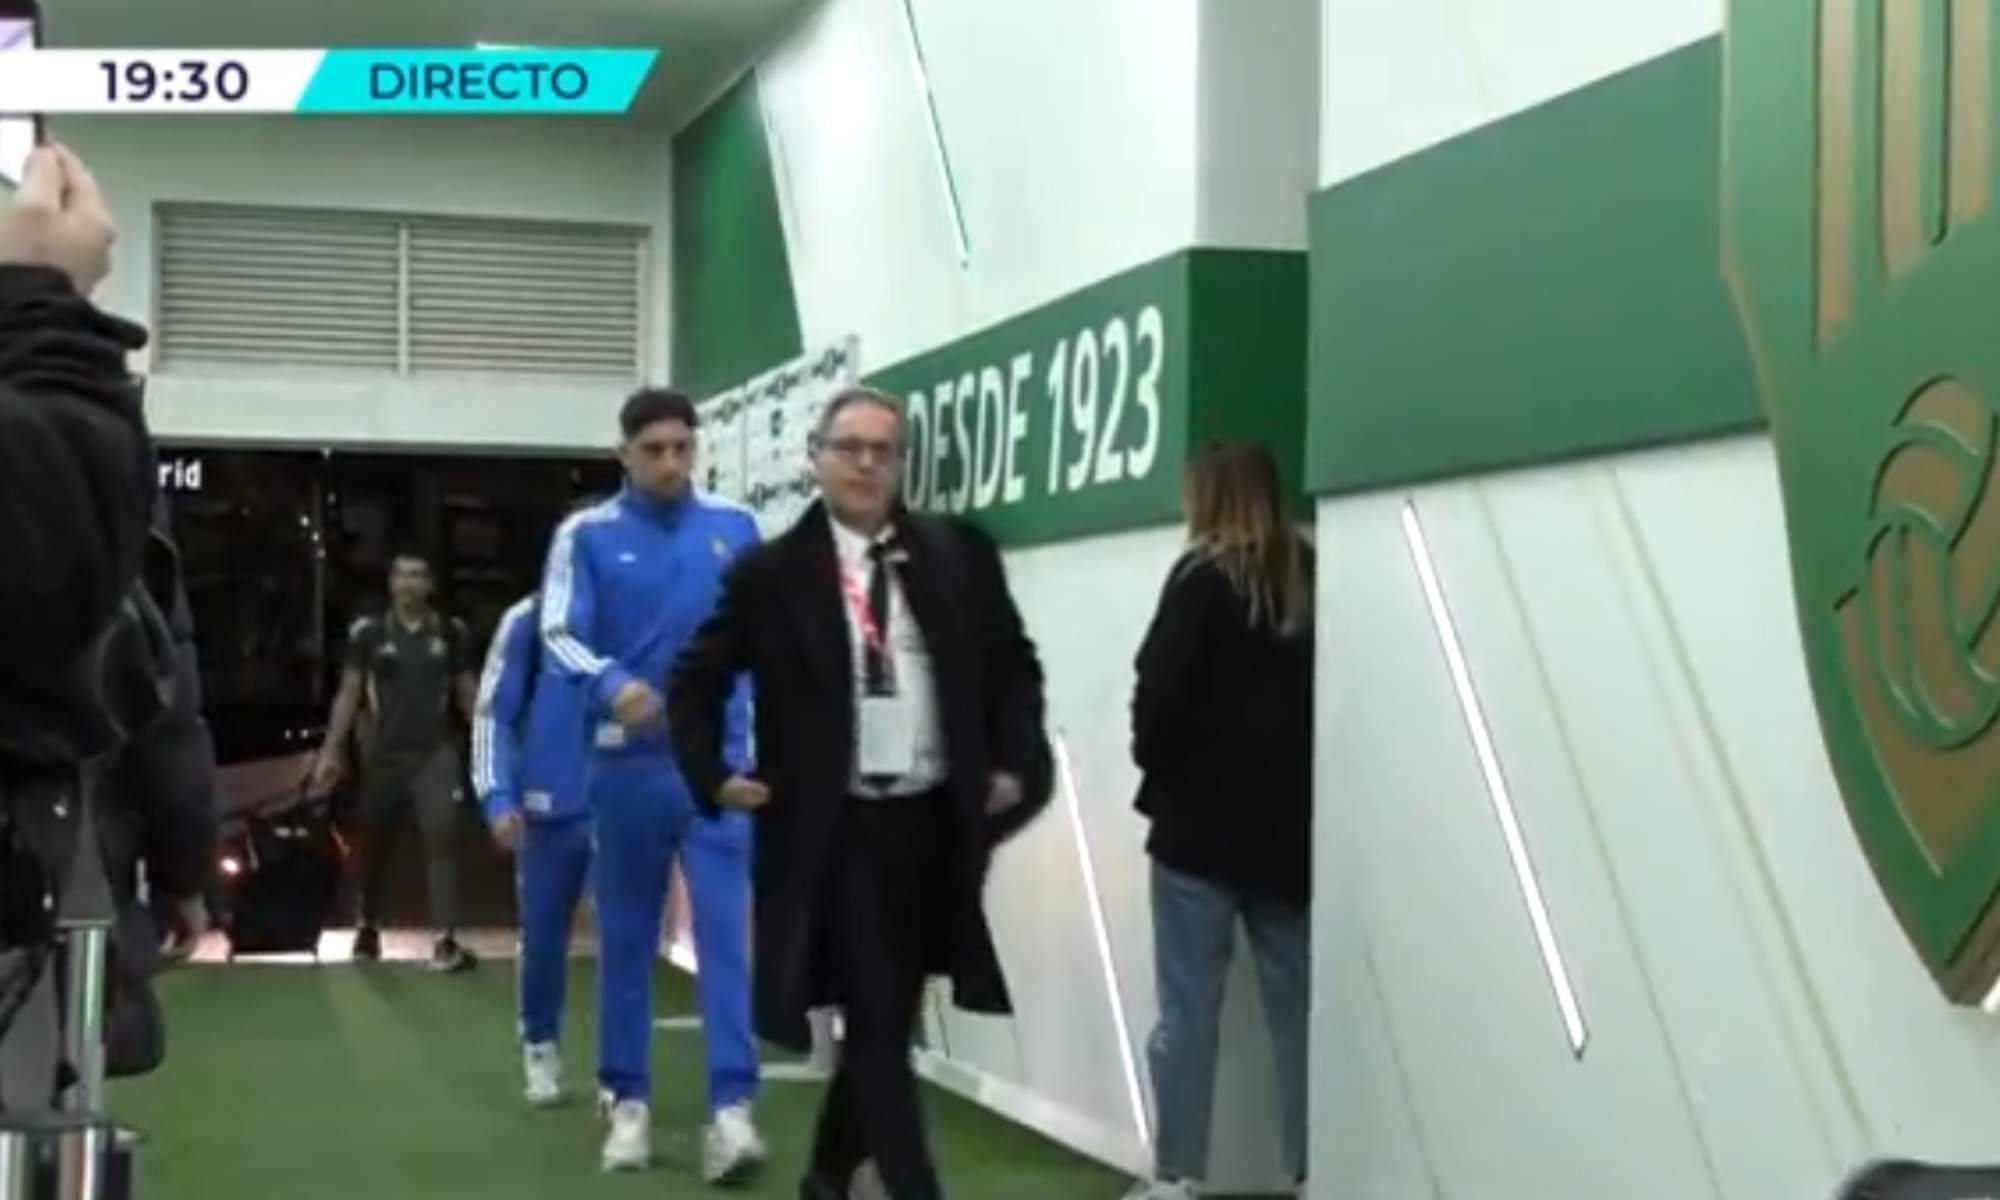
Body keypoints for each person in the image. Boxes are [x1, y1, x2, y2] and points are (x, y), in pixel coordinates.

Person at [668, 385, 1052, 1200]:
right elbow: (694, 682)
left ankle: (825, 1175)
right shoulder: (772, 575)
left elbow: (1012, 666)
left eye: (885, 450)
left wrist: (1014, 761)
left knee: (890, 1016)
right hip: (831, 832)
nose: (868, 464)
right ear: (817, 458)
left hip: (934, 825)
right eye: (851, 448)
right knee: (877, 1021)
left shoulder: (957, 555)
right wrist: (714, 775)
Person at [539, 388, 765, 1179]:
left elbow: (766, 639)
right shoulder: (587, 536)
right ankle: (627, 1103)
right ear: (625, 454)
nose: (671, 463)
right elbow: (558, 632)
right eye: (655, 449)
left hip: (719, 774)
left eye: (682, 448)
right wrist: (610, 684)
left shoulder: (736, 529)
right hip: (627, 772)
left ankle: (732, 1112)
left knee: (727, 945)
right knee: (628, 943)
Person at [1123, 441, 1314, 1200]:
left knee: (1188, 1010)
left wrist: (1156, 767)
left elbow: (1158, 694)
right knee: (1299, 1014)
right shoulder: (1309, 575)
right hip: (1289, 832)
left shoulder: (1201, 578)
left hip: (1198, 829)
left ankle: (1178, 1177)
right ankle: (1310, 1169)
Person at [307, 547, 480, 973]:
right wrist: (330, 752)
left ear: (431, 585)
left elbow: (468, 695)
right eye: (402, 574)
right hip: (382, 757)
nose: (409, 583)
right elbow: (348, 694)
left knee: (441, 839)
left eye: (419, 574)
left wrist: (490, 750)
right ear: (390, 582)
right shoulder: (368, 634)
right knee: (374, 847)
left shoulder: (451, 633)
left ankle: (445, 940)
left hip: (434, 755)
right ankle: (368, 925)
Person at [470, 587, 592, 1107]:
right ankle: (540, 1043)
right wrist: (499, 797)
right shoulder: (526, 620)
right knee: (544, 935)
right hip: (549, 810)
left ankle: (625, 1077)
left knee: (630, 943)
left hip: (626, 803)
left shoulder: (642, 605)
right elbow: (492, 715)